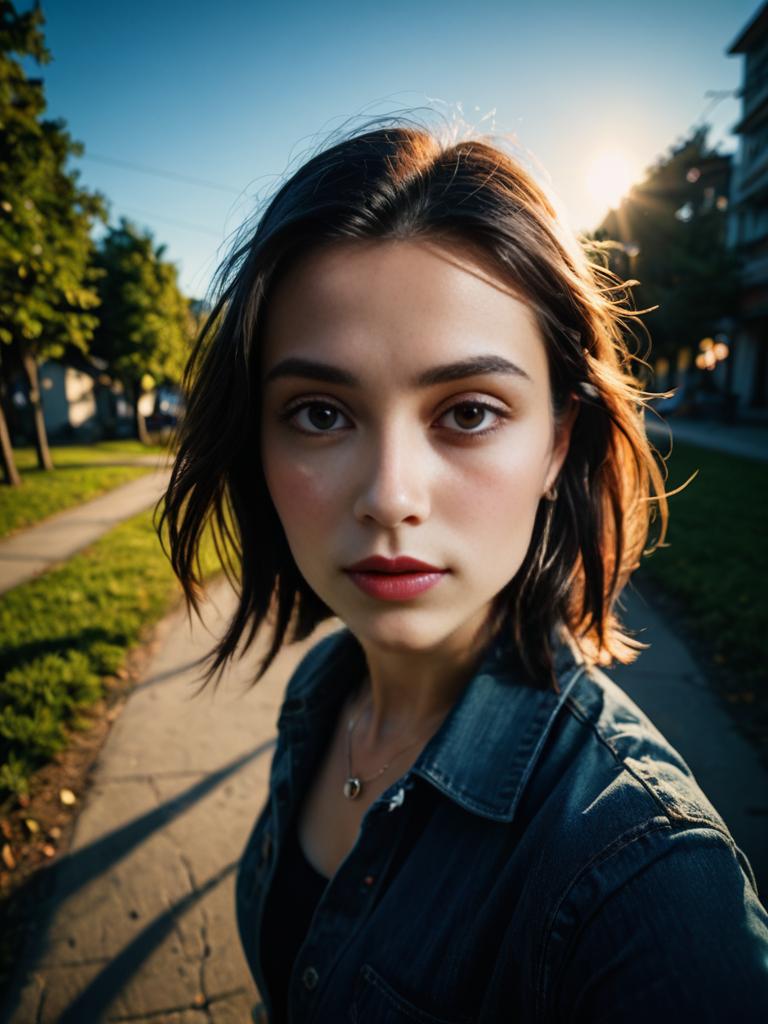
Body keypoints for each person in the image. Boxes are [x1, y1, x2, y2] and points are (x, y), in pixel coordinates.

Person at [157, 117, 768, 1023]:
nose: (390, 496)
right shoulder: (325, 693)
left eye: (470, 412)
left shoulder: (650, 887)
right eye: (321, 414)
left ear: (559, 442)